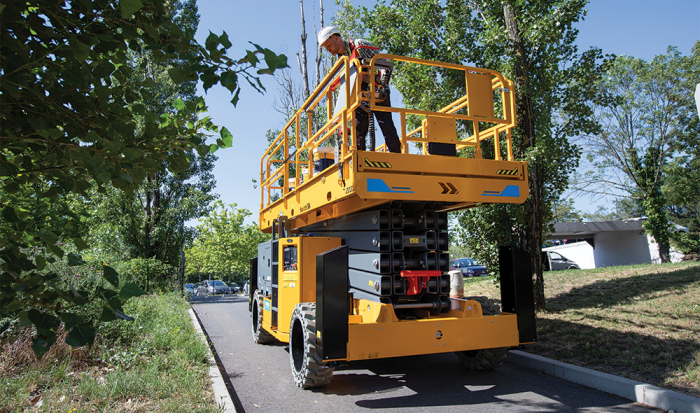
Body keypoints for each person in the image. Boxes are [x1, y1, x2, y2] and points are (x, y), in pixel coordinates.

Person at [318, 26, 401, 153]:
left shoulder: (359, 45)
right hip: (359, 99)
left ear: (335, 38)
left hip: (377, 92)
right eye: (325, 47)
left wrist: (383, 84)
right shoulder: (341, 62)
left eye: (328, 45)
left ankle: (397, 158)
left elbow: (383, 62)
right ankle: (359, 162)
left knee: (387, 127)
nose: (327, 49)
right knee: (358, 134)